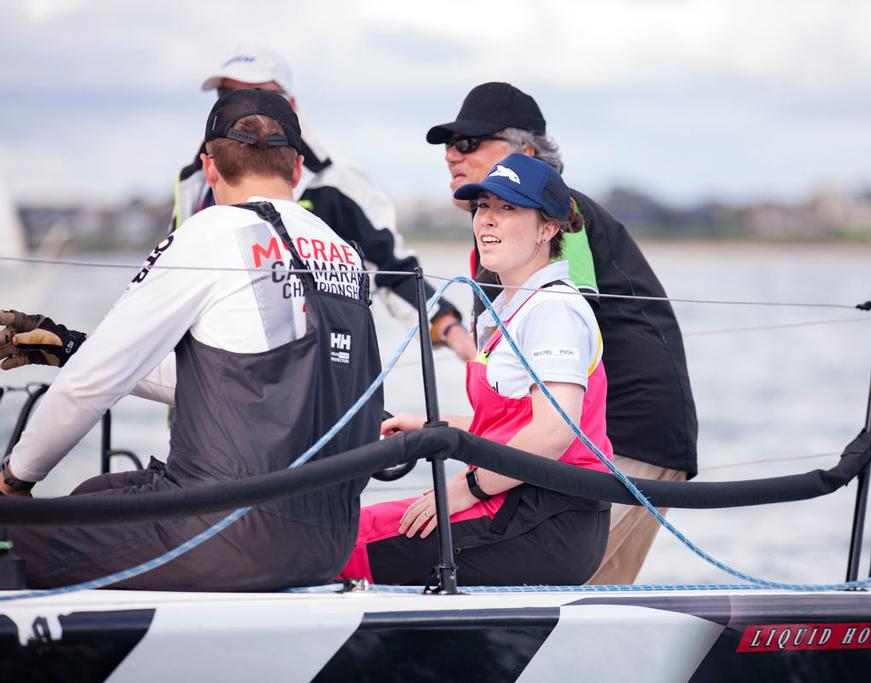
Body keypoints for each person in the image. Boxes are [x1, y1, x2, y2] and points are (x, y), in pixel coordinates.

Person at [0, 89, 383, 590]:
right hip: (326, 542)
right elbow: (254, 391)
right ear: (295, 170)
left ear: (209, 167)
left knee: (15, 535)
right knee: (102, 488)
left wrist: (16, 479)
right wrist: (70, 345)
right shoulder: (343, 253)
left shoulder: (213, 233)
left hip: (219, 535)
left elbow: (91, 384)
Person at [425, 83, 699, 584]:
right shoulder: (508, 239)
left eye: (469, 143)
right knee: (588, 608)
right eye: (448, 145)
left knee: (552, 586)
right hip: (612, 436)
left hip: (622, 440)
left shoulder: (561, 218)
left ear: (526, 155)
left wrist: (475, 482)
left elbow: (570, 319)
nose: (451, 155)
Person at [339, 153, 612, 585]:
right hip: (523, 505)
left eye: (508, 209)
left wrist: (463, 491)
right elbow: (512, 424)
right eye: (482, 207)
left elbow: (555, 431)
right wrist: (431, 426)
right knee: (345, 531)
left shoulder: (553, 309)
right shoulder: (510, 309)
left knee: (339, 542)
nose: (487, 220)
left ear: (548, 228)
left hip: (544, 518)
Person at [172, 44, 473, 359]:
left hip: (308, 371)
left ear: (290, 104)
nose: (244, 108)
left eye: (259, 95)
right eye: (227, 95)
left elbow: (393, 271)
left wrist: (454, 333)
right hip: (206, 371)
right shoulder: (192, 177)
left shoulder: (338, 181)